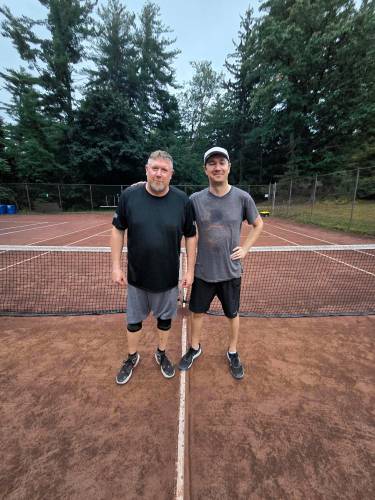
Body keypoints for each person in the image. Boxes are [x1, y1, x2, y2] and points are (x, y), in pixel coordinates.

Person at [111, 150, 196, 385]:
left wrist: (189, 271)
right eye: (155, 168)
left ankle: (161, 353)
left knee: (165, 321)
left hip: (167, 278)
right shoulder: (129, 196)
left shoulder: (183, 201)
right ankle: (131, 357)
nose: (159, 173)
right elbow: (118, 229)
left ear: (171, 174)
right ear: (147, 170)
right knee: (133, 322)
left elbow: (191, 235)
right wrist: (116, 267)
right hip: (136, 277)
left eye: (164, 170)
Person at [178, 146, 263, 380]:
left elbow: (258, 225)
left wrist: (245, 248)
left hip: (231, 272)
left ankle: (233, 352)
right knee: (197, 313)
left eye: (221, 162)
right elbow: (187, 232)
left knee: (232, 314)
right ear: (205, 169)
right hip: (204, 272)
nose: (217, 167)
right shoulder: (195, 200)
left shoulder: (242, 198)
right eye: (212, 163)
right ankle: (195, 348)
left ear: (228, 167)